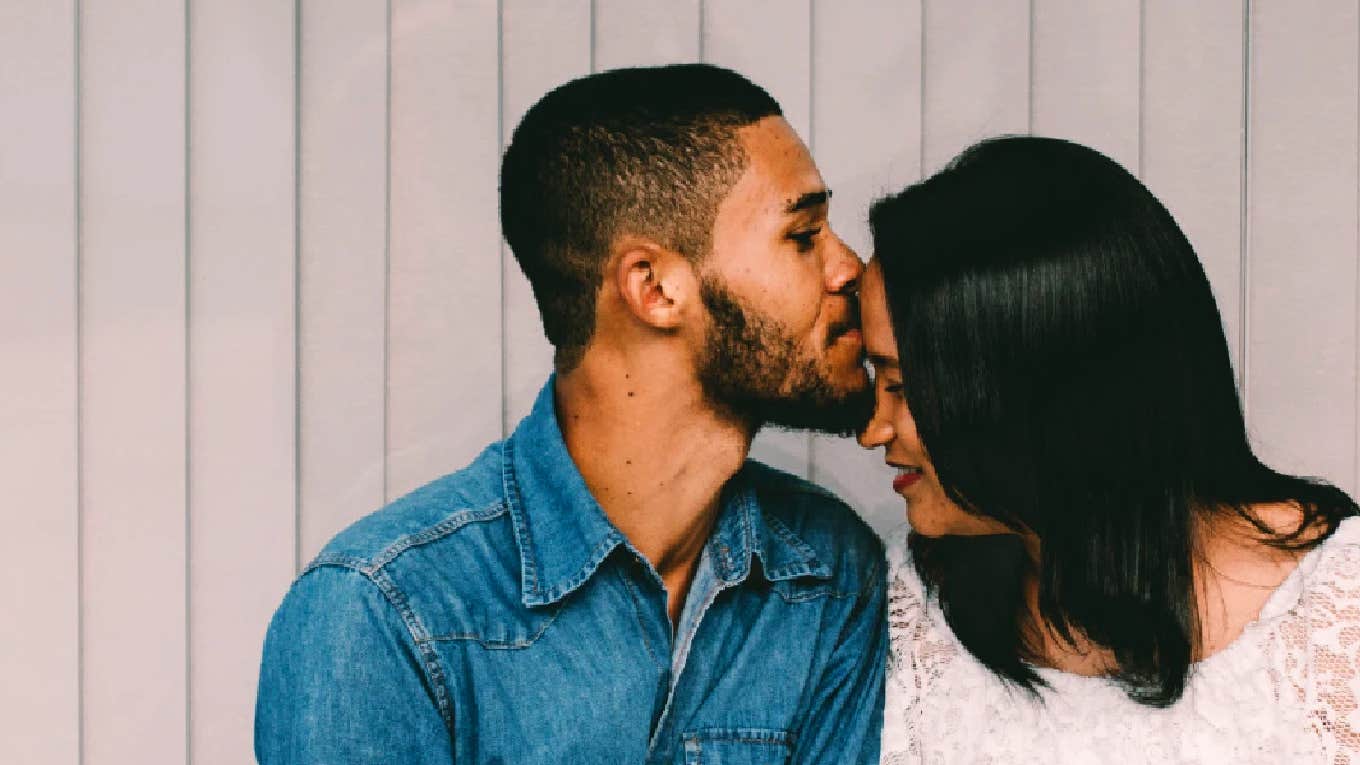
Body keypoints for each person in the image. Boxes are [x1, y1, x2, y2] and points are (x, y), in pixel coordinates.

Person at [255, 63, 887, 764]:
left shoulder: (828, 574)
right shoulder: (383, 615)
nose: (850, 268)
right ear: (653, 288)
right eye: (803, 234)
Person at [858, 136, 1360, 763]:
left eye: (901, 387)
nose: (873, 430)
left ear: (1032, 395)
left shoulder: (1339, 616)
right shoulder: (909, 610)